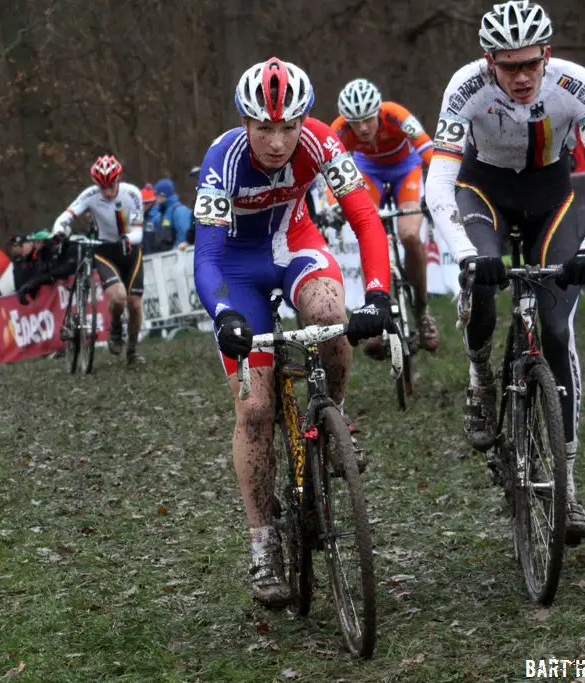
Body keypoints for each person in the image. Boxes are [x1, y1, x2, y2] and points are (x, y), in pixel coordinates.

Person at [425, 0, 585, 546]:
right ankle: (480, 374)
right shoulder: (464, 88)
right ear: (488, 61)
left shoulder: (576, 85)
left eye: (530, 64)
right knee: (485, 285)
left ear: (547, 55)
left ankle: (566, 480)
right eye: (508, 65)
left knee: (559, 331)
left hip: (551, 196)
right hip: (482, 192)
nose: (521, 76)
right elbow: (438, 184)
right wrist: (467, 252)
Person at [193, 57, 391, 607]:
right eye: (264, 128)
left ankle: (333, 419)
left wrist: (377, 293)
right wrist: (223, 313)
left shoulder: (323, 143)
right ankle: (262, 541)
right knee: (255, 411)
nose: (278, 142)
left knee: (331, 317)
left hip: (294, 247)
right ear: (245, 122)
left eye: (288, 126)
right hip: (237, 272)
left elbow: (366, 219)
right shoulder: (222, 160)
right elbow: (206, 256)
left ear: (304, 120)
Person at [331, 79, 440, 352]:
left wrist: (442, 183)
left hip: (406, 169)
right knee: (372, 236)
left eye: (368, 119)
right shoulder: (339, 130)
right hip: (369, 173)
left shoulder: (393, 112)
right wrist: (332, 204)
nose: (364, 128)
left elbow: (426, 147)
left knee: (410, 234)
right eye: (356, 122)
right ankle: (379, 314)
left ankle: (422, 310)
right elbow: (327, 166)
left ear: (377, 112)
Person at [51, 155, 146, 363]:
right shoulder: (90, 195)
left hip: (130, 250)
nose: (107, 191)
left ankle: (131, 350)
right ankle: (115, 327)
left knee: (135, 305)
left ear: (118, 179)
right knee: (118, 297)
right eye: (102, 187)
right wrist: (59, 231)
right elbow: (65, 216)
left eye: (111, 185)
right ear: (96, 183)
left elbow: (139, 230)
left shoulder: (133, 193)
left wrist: (128, 239)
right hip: (104, 251)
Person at [149, 178, 193, 252]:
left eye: (157, 195)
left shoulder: (179, 211)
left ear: (163, 195)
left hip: (178, 257)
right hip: (165, 257)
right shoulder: (162, 212)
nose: (155, 198)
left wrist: (177, 250)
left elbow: (185, 235)